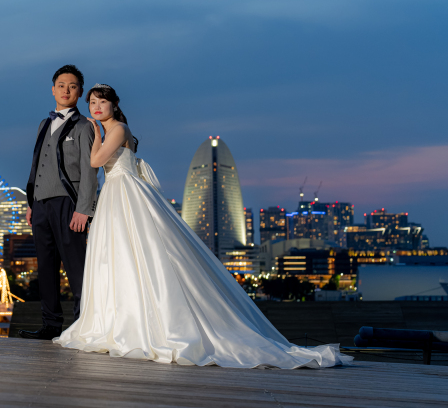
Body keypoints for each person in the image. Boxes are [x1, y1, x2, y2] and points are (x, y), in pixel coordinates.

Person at [53, 83, 353, 369]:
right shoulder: (111, 130)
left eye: (101, 101)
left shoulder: (116, 129)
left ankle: (145, 325)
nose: (95, 107)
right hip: (115, 196)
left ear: (114, 104)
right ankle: (120, 321)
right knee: (120, 257)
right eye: (92, 102)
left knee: (141, 253)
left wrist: (92, 133)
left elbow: (94, 162)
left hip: (125, 195)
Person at [19, 65, 99, 340]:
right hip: (41, 205)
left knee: (76, 267)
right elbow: (36, 164)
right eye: (61, 85)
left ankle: (82, 327)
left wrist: (84, 209)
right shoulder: (44, 124)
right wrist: (31, 202)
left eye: (73, 86)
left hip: (69, 205)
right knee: (46, 267)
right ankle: (51, 325)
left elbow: (90, 171)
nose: (66, 90)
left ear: (79, 93)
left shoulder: (84, 126)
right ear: (53, 89)